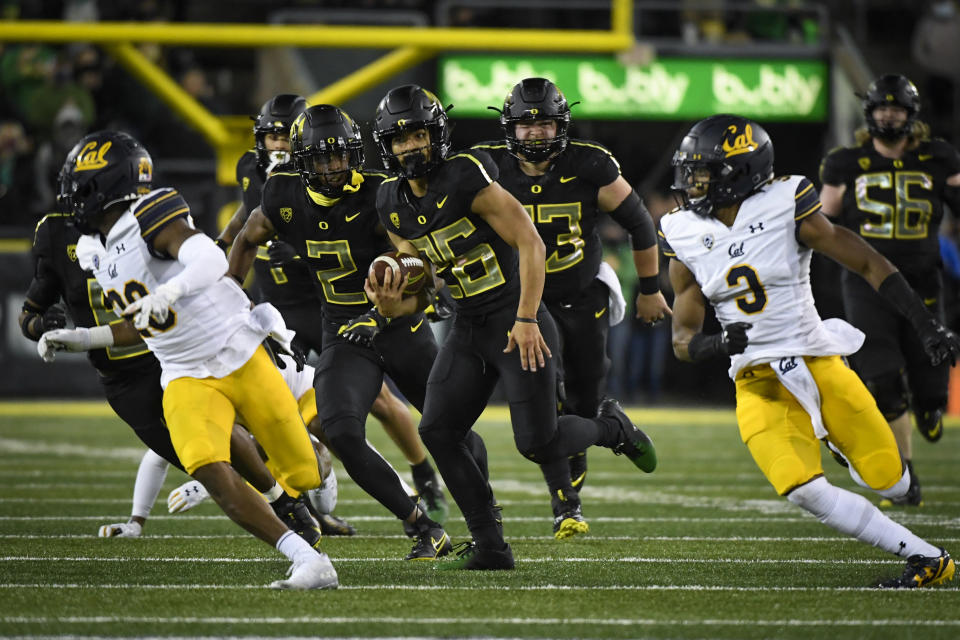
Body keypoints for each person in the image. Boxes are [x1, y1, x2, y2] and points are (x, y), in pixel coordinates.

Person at [357, 84, 657, 569]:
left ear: (437, 135)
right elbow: (423, 281)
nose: (410, 147)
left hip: (516, 317)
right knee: (437, 429)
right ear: (386, 146)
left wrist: (525, 317)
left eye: (417, 136)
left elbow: (531, 243)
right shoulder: (389, 200)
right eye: (399, 139)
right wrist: (391, 299)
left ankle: (610, 428)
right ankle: (491, 545)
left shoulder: (466, 175)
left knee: (539, 443)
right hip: (468, 324)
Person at [661, 113, 957, 588]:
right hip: (757, 381)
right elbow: (681, 341)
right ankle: (926, 559)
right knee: (803, 489)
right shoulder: (680, 230)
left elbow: (864, 259)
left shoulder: (785, 201)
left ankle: (879, 466)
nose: (691, 183)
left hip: (816, 359)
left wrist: (925, 323)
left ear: (742, 172)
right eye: (689, 171)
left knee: (890, 481)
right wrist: (715, 343)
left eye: (704, 172)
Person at [43, 130, 337, 589]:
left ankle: (318, 457)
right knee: (207, 467)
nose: (70, 198)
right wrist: (80, 338)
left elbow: (209, 261)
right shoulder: (90, 248)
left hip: (236, 352)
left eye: (78, 187)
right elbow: (143, 321)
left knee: (304, 470)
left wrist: (171, 291)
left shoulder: (148, 213)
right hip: (183, 372)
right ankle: (307, 560)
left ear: (103, 186)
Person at [227, 104, 456, 560]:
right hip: (342, 330)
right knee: (343, 431)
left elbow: (422, 264)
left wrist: (422, 288)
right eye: (322, 159)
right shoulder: (281, 193)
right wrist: (230, 296)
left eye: (340, 157)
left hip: (398, 325)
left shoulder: (380, 193)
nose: (333, 168)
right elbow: (245, 236)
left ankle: (481, 515)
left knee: (447, 424)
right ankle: (422, 526)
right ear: (301, 160)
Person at [21, 209, 335, 541]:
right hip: (132, 375)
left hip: (183, 354)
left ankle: (294, 491)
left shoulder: (150, 219)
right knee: (203, 460)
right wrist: (52, 329)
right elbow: (41, 312)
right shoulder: (76, 244)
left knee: (258, 453)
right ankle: (293, 536)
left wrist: (176, 295)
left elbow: (215, 269)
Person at [475, 78, 671, 528]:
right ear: (510, 128)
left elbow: (640, 223)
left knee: (583, 403)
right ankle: (565, 503)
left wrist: (650, 288)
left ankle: (606, 430)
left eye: (544, 124)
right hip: (524, 302)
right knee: (545, 401)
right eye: (526, 125)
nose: (535, 133)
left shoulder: (589, 164)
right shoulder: (486, 168)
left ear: (561, 124)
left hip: (582, 295)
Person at [819, 74, 960, 507]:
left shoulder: (937, 157)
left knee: (931, 384)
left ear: (911, 114)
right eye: (883, 108)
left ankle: (930, 406)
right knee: (882, 379)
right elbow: (823, 219)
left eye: (897, 109)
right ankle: (905, 474)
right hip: (866, 282)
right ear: (870, 112)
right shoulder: (845, 162)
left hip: (922, 280)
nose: (889, 115)